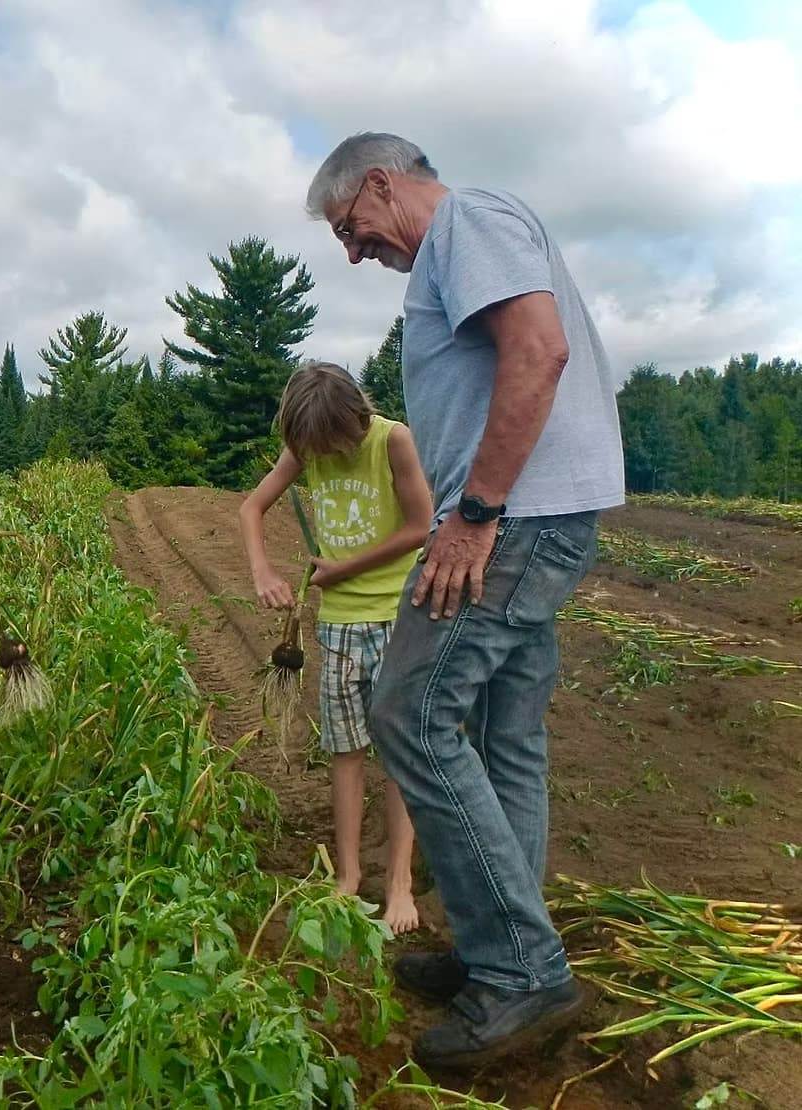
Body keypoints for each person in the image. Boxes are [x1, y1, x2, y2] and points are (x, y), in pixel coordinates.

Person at [304, 133, 625, 1067]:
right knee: (503, 736)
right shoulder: (470, 237)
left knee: (407, 711)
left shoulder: (467, 223)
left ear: (381, 183)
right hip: (541, 519)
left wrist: (477, 513)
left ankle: (522, 970)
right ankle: (501, 951)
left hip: (511, 525)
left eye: (353, 229)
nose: (357, 252)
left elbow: (538, 350)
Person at [240, 361, 432, 936]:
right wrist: (262, 572)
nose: (326, 455)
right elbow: (251, 508)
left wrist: (342, 568)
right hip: (340, 626)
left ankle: (399, 880)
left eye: (333, 443)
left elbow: (421, 526)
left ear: (355, 417)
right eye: (313, 448)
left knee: (399, 754)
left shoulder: (392, 439)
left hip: (400, 616)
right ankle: (347, 876)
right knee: (345, 751)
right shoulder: (309, 447)